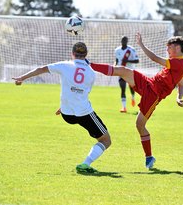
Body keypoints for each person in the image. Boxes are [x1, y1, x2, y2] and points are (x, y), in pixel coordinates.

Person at [89, 33, 183, 169]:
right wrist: (179, 97)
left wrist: (141, 45)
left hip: (154, 95)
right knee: (123, 70)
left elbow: (154, 59)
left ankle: (149, 157)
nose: (167, 50)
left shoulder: (178, 63)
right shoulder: (177, 64)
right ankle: (89, 65)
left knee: (140, 125)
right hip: (149, 83)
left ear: (176, 47)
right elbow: (181, 85)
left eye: (168, 47)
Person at [12, 42, 111, 173]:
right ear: (86, 55)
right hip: (83, 113)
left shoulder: (64, 65)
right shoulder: (91, 73)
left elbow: (42, 69)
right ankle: (85, 164)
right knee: (106, 140)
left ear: (72, 54)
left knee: (83, 117)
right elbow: (82, 92)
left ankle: (86, 163)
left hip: (66, 114)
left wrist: (22, 78)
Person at [114, 36, 139, 112]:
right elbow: (117, 60)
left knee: (132, 88)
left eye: (125, 40)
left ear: (127, 41)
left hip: (130, 71)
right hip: (121, 71)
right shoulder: (117, 50)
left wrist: (127, 61)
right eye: (122, 40)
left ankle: (133, 97)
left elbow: (137, 61)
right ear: (121, 41)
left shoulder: (131, 50)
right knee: (123, 88)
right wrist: (114, 66)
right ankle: (124, 107)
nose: (124, 41)